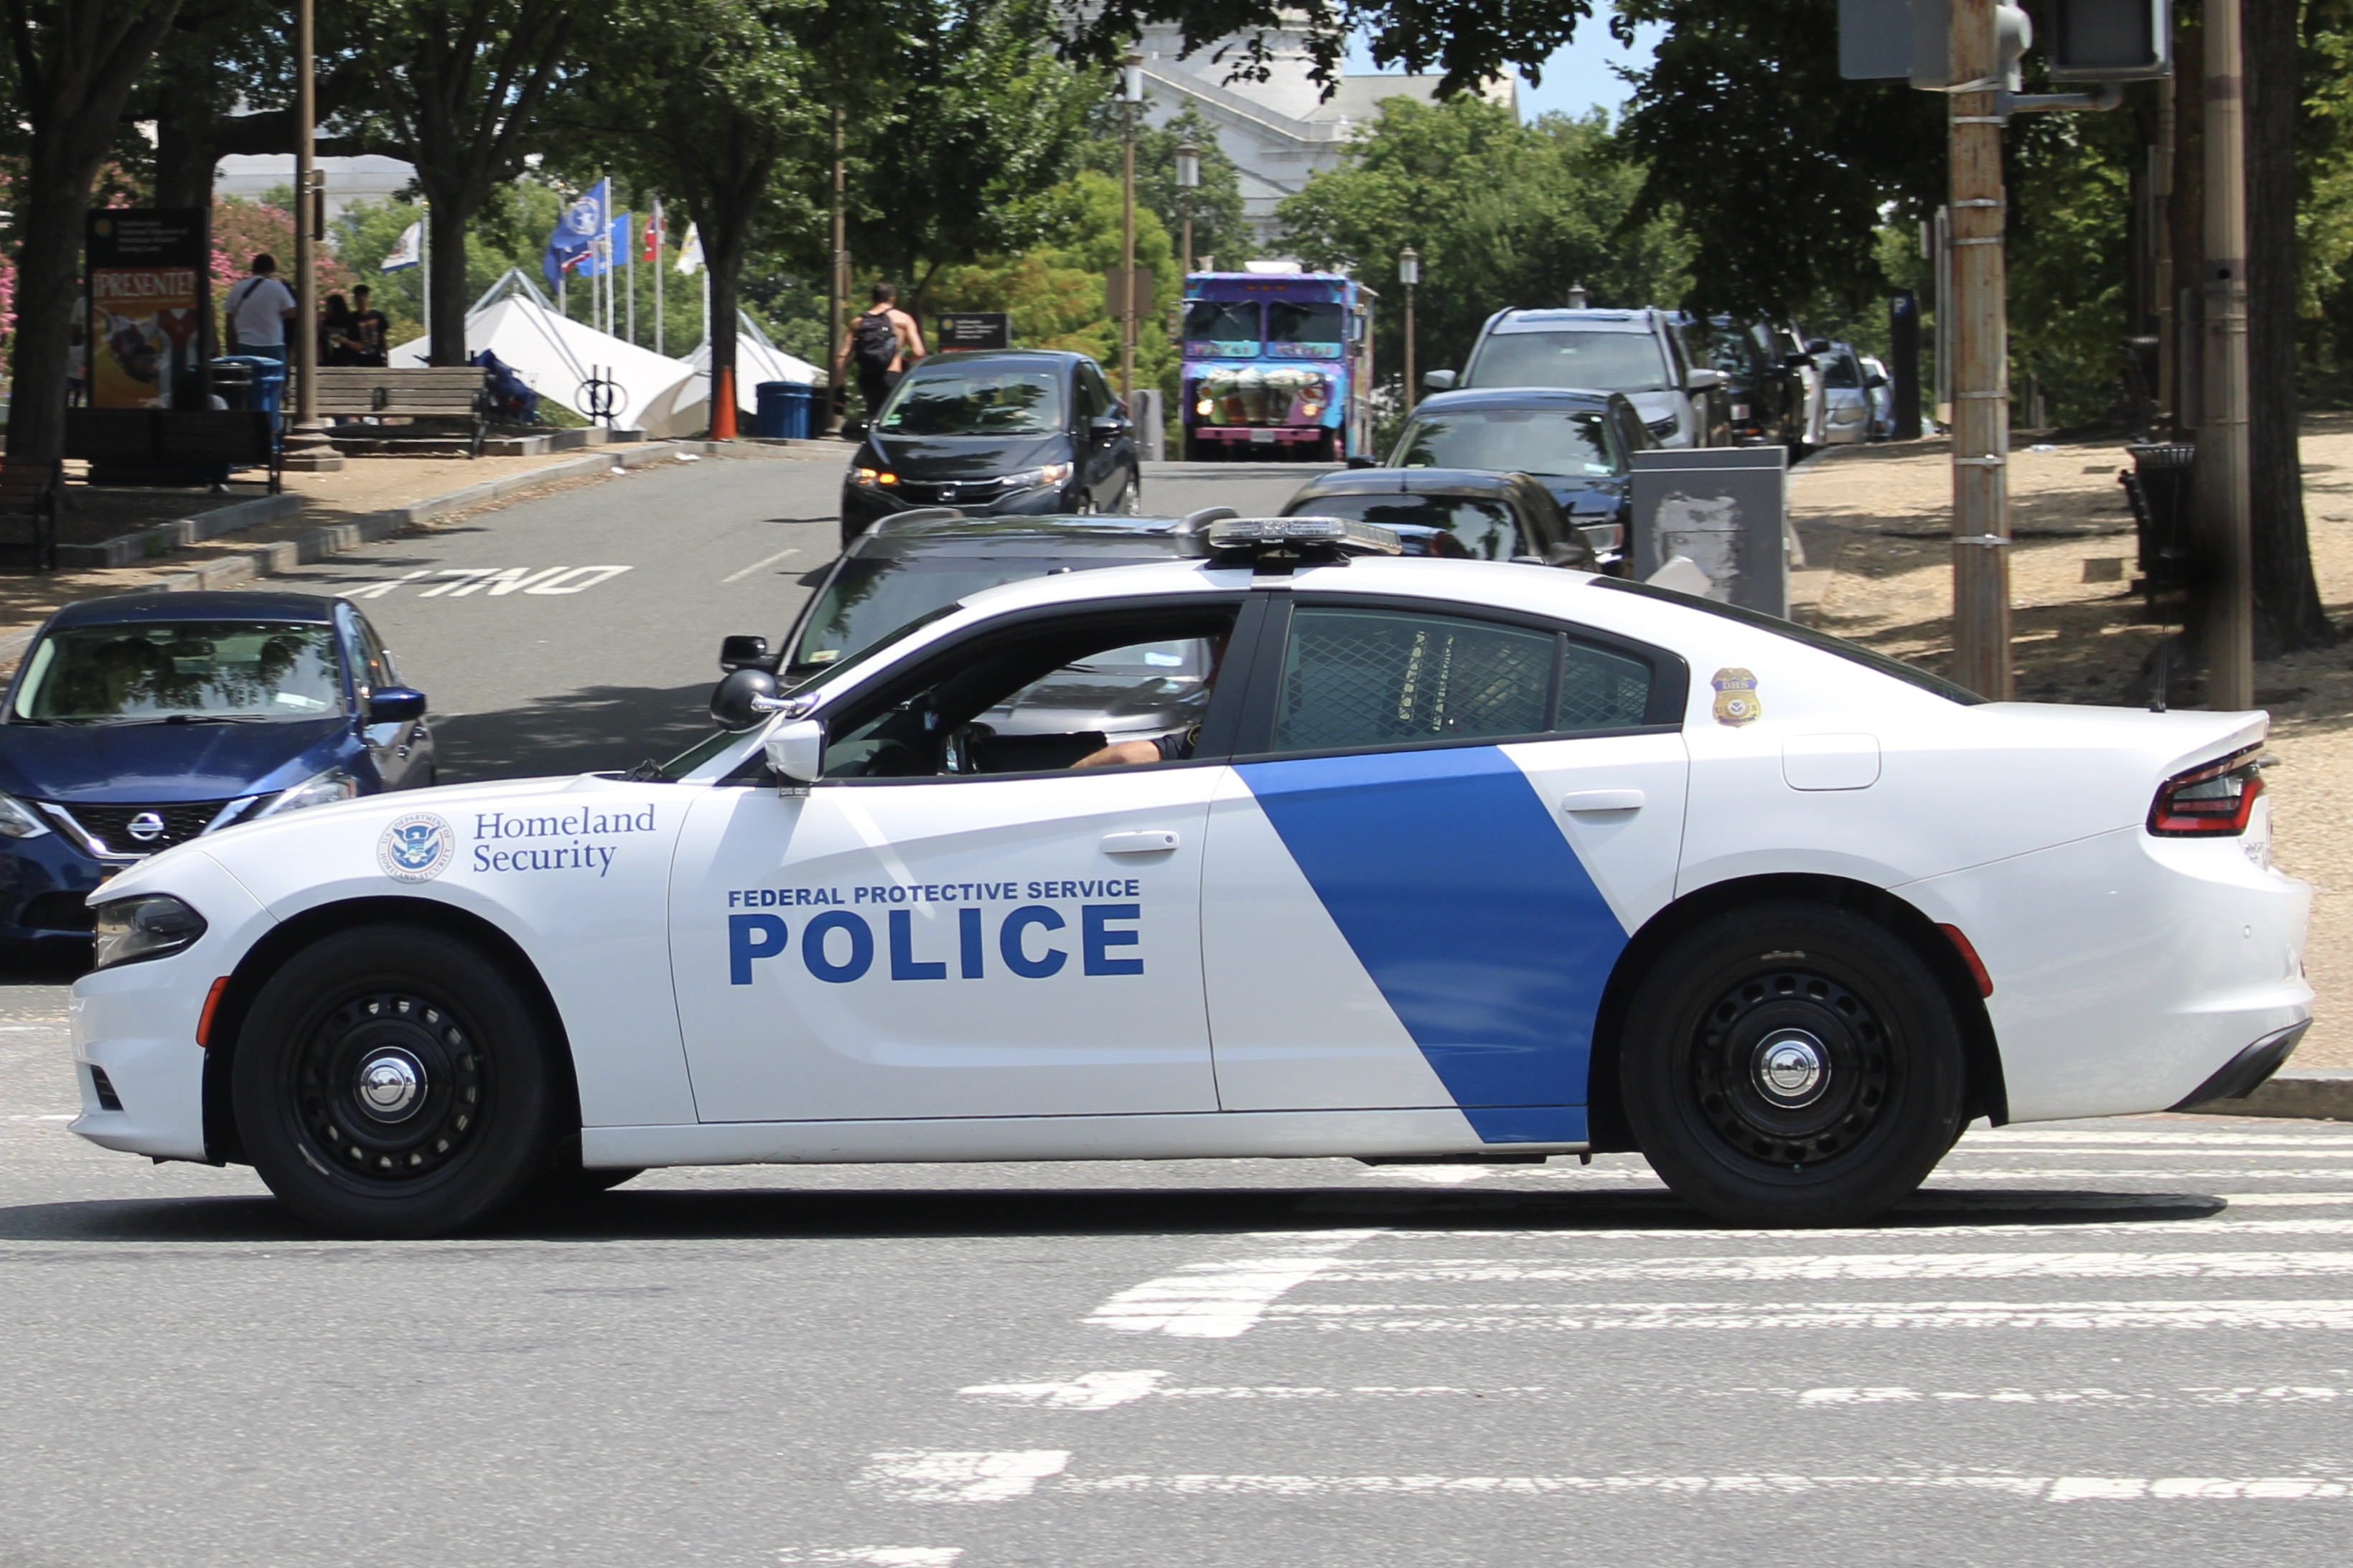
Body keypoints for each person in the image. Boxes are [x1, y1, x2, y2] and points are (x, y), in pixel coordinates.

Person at [833, 281, 925, 420]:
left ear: (873, 298)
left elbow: (841, 357)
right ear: (893, 298)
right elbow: (919, 352)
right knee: (896, 420)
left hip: (867, 378)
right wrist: (904, 360)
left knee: (876, 419)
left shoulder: (858, 322)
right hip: (892, 375)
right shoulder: (903, 319)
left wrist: (839, 389)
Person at [222, 254, 296, 360]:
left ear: (253, 269)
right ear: (271, 269)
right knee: (274, 375)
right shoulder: (278, 288)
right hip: (272, 344)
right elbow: (291, 313)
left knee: (248, 376)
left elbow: (229, 319)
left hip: (245, 343)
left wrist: (230, 345)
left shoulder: (238, 287)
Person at [348, 285, 390, 367]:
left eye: (364, 296)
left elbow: (383, 339)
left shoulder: (377, 316)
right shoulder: (351, 318)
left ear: (368, 297)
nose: (361, 299)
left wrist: (386, 360)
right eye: (358, 296)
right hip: (359, 361)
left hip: (376, 360)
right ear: (355, 299)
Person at [319, 292, 362, 366]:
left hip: (346, 364)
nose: (327, 309)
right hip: (328, 364)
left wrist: (346, 341)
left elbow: (360, 346)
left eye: (329, 306)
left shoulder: (350, 322)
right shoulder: (327, 322)